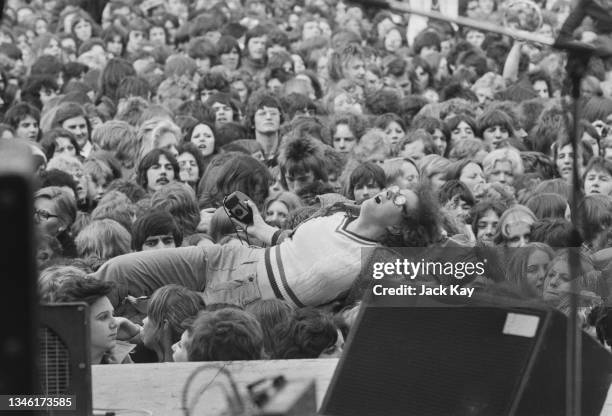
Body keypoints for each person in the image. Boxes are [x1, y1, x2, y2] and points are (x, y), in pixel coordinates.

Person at [92, 184, 439, 308]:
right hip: (226, 257)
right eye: (395, 187)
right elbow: (287, 242)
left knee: (153, 325)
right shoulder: (337, 214)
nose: (391, 191)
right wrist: (257, 224)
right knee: (117, 272)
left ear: (401, 226)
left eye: (399, 199)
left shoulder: (377, 263)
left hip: (247, 304)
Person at [53, 276, 135, 364]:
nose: (114, 324)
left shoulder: (122, 359)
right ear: (75, 325)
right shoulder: (54, 370)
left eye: (113, 314)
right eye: (103, 317)